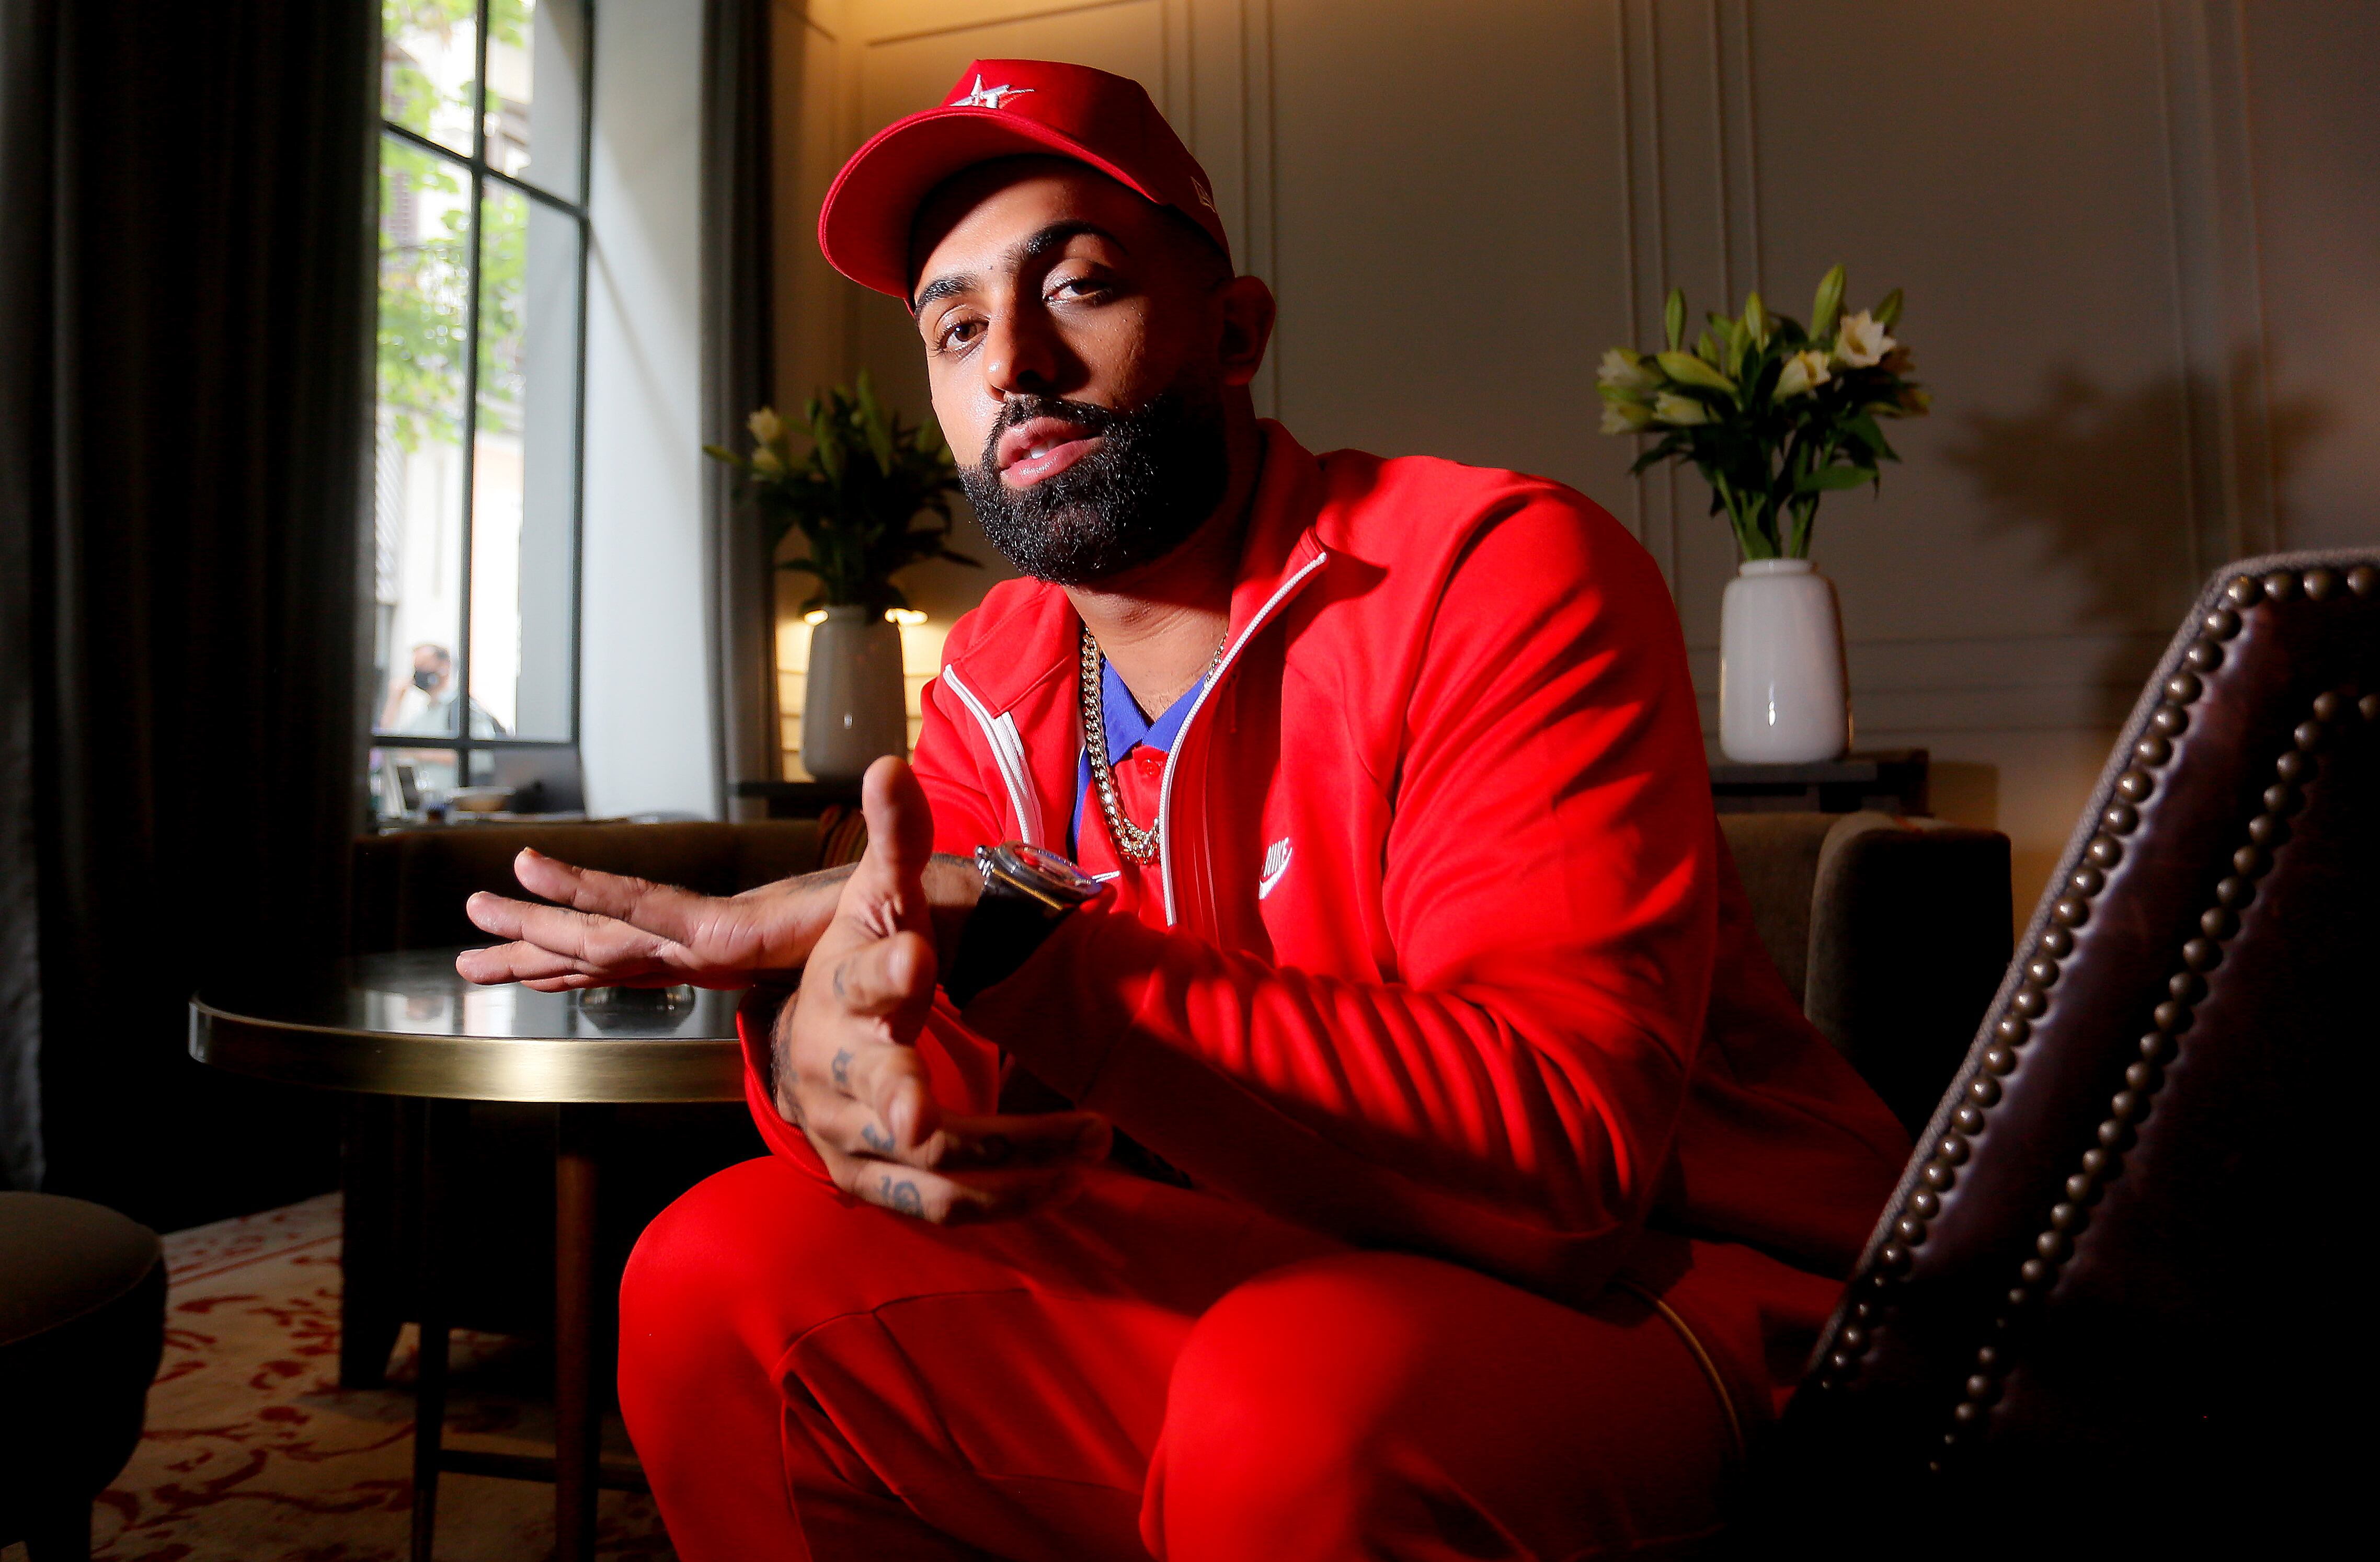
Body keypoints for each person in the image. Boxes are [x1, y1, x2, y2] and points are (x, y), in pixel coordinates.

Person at [457, 60, 1907, 1559]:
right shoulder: (995, 670)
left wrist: (1015, 943)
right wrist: (834, 1046)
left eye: (1077, 284)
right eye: (954, 326)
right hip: (1269, 1259)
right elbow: (941, 1016)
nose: (1012, 359)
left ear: (1236, 331)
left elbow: (1564, 1162)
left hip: (1680, 1281)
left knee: (1293, 1395)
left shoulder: (1499, 568)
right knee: (714, 1269)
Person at [377, 641, 507, 739]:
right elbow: (394, 745)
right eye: (416, 668)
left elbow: (480, 756)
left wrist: (422, 752)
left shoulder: (461, 708)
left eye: (423, 665)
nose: (418, 673)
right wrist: (394, 701)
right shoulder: (426, 715)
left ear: (444, 667)